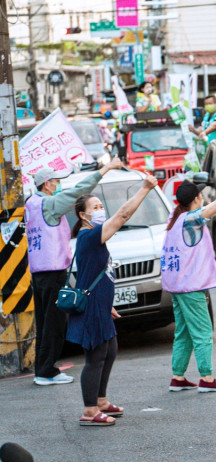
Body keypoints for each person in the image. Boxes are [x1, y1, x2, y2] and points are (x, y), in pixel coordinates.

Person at [68, 173, 159, 425]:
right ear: (82, 216)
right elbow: (122, 216)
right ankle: (89, 411)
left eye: (100, 206)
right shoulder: (88, 237)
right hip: (91, 307)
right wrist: (144, 189)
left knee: (110, 350)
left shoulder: (94, 235)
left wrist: (107, 305)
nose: (100, 210)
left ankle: (100, 401)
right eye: (95, 208)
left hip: (100, 305)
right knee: (95, 357)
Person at [25, 158, 123, 386]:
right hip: (52, 273)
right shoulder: (49, 204)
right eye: (57, 182)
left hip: (39, 273)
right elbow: (80, 191)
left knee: (45, 323)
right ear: (47, 184)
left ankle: (44, 369)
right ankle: (47, 371)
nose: (59, 185)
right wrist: (105, 169)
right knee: (55, 324)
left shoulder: (32, 203)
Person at [164, 158, 216, 393]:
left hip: (176, 286)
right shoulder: (190, 220)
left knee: (185, 332)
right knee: (202, 332)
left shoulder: (175, 218)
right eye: (200, 194)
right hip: (190, 287)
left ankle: (178, 377)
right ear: (195, 199)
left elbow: (213, 204)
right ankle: (206, 379)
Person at [189, 94, 216, 159]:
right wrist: (194, 130)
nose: (208, 106)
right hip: (210, 149)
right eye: (206, 104)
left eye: (210, 103)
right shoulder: (206, 116)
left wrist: (205, 132)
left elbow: (214, 126)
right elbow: (201, 132)